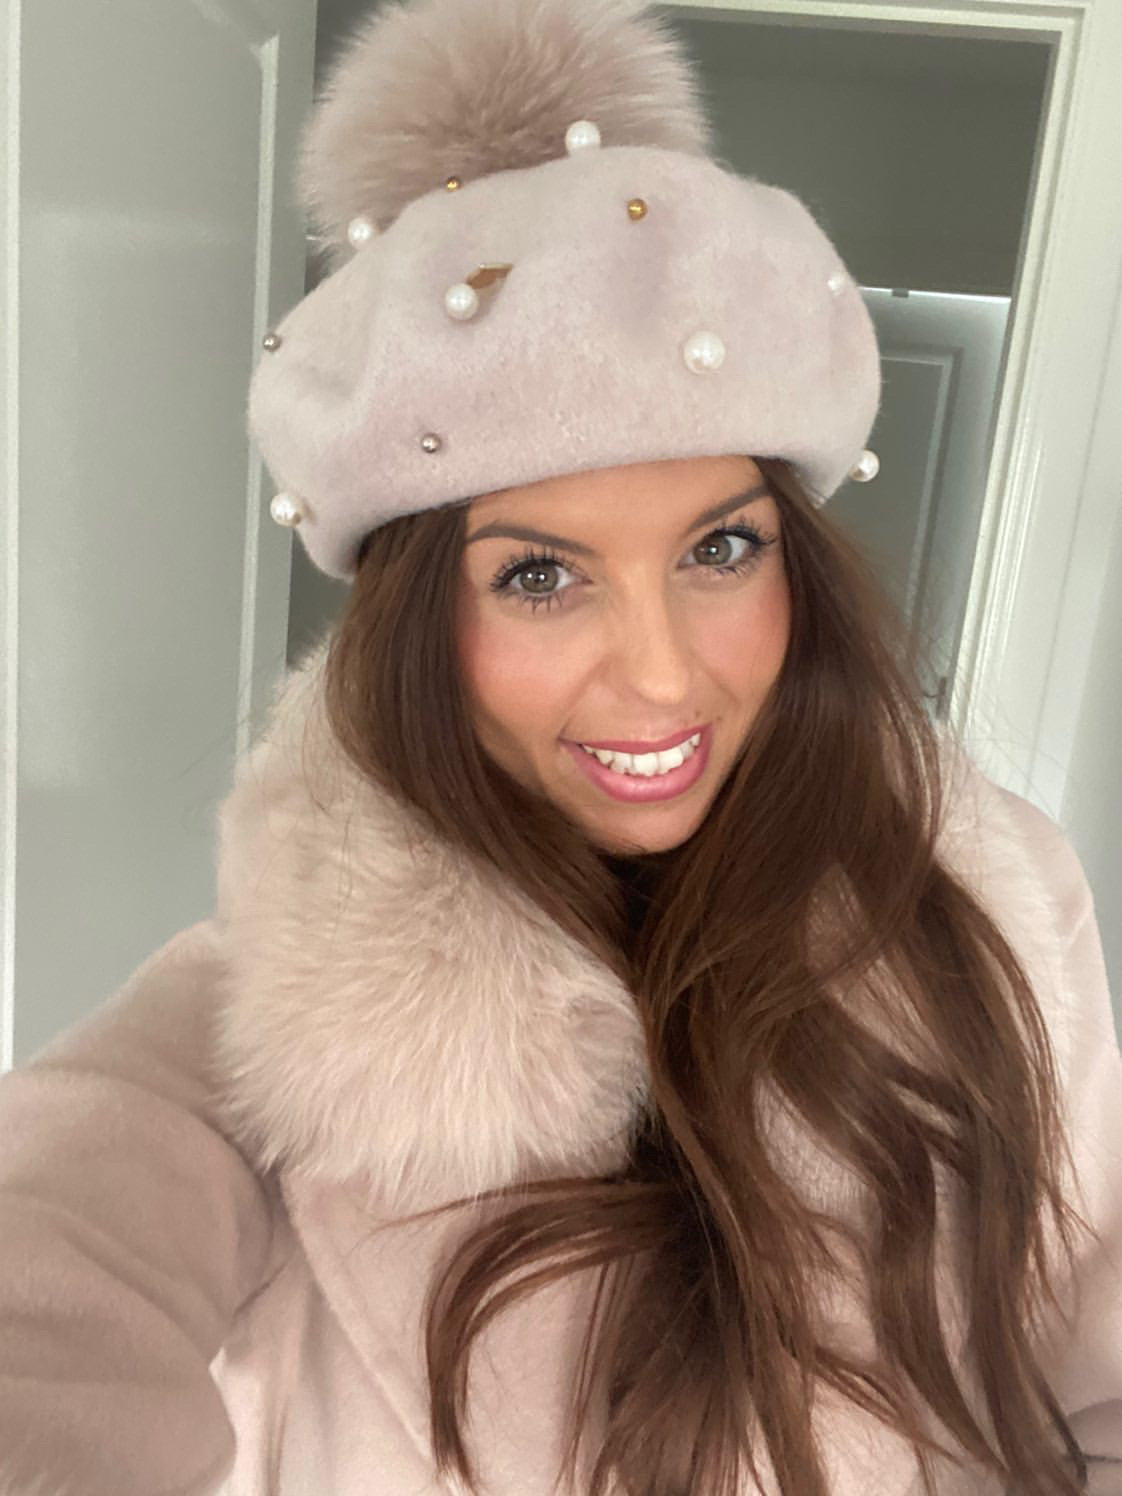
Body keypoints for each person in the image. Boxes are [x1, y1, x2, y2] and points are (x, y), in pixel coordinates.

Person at [1, 0, 1119, 1492]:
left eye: (721, 549)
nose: (660, 673)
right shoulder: (260, 1021)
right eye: (540, 575)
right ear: (421, 624)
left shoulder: (986, 902)